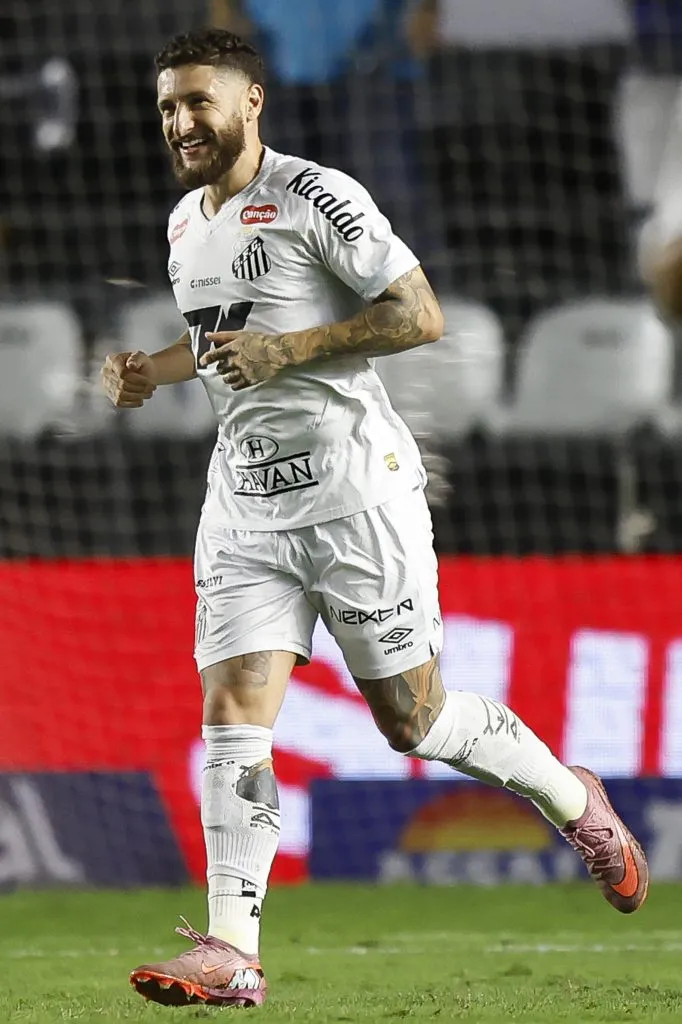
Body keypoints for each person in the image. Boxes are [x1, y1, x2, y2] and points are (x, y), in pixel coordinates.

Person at [101, 27, 649, 1011]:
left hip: (356, 498)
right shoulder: (185, 222)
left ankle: (574, 799)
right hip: (244, 507)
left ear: (251, 100)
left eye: (199, 101)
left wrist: (295, 348)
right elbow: (220, 341)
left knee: (414, 719)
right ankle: (232, 948)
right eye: (169, 107)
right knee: (232, 714)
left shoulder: (320, 197)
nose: (182, 122)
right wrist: (155, 368)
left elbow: (418, 314)